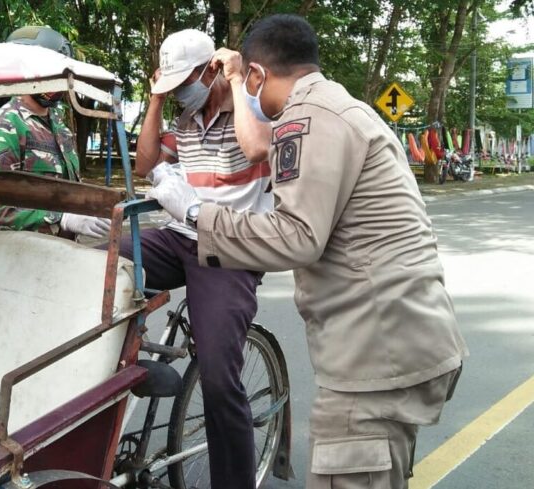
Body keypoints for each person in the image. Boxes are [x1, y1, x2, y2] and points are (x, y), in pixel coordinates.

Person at [147, 15, 468, 489]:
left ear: (256, 74)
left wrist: (195, 212)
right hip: (394, 339)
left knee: (226, 379)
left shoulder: (309, 117)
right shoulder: (335, 108)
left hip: (374, 354)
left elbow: (296, 236)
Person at [122, 29, 274, 489]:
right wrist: (155, 99)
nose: (178, 93)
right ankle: (123, 357)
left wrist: (238, 80)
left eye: (183, 82)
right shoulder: (186, 117)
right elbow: (145, 164)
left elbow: (258, 149)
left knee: (219, 381)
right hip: (180, 236)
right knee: (104, 258)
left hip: (230, 248)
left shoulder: (255, 106)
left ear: (211, 70)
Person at [0, 25, 110, 240]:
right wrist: (60, 219)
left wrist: (91, 206)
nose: (57, 79)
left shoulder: (60, 128)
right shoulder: (3, 128)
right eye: (50, 70)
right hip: (22, 254)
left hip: (62, 250)